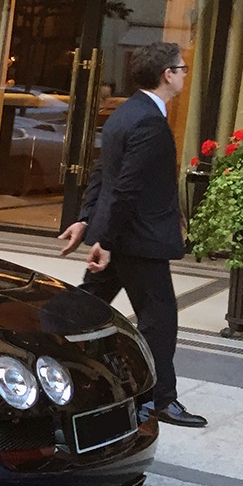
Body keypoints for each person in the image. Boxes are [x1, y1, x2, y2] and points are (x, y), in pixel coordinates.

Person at [58, 40, 207, 428]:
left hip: (120, 236)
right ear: (167, 75)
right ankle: (160, 399)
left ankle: (60, 370)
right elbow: (125, 185)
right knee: (160, 319)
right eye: (182, 68)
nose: (184, 74)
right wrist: (102, 239)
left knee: (82, 312)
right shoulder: (148, 121)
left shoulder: (126, 113)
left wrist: (88, 220)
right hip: (136, 241)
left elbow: (102, 174)